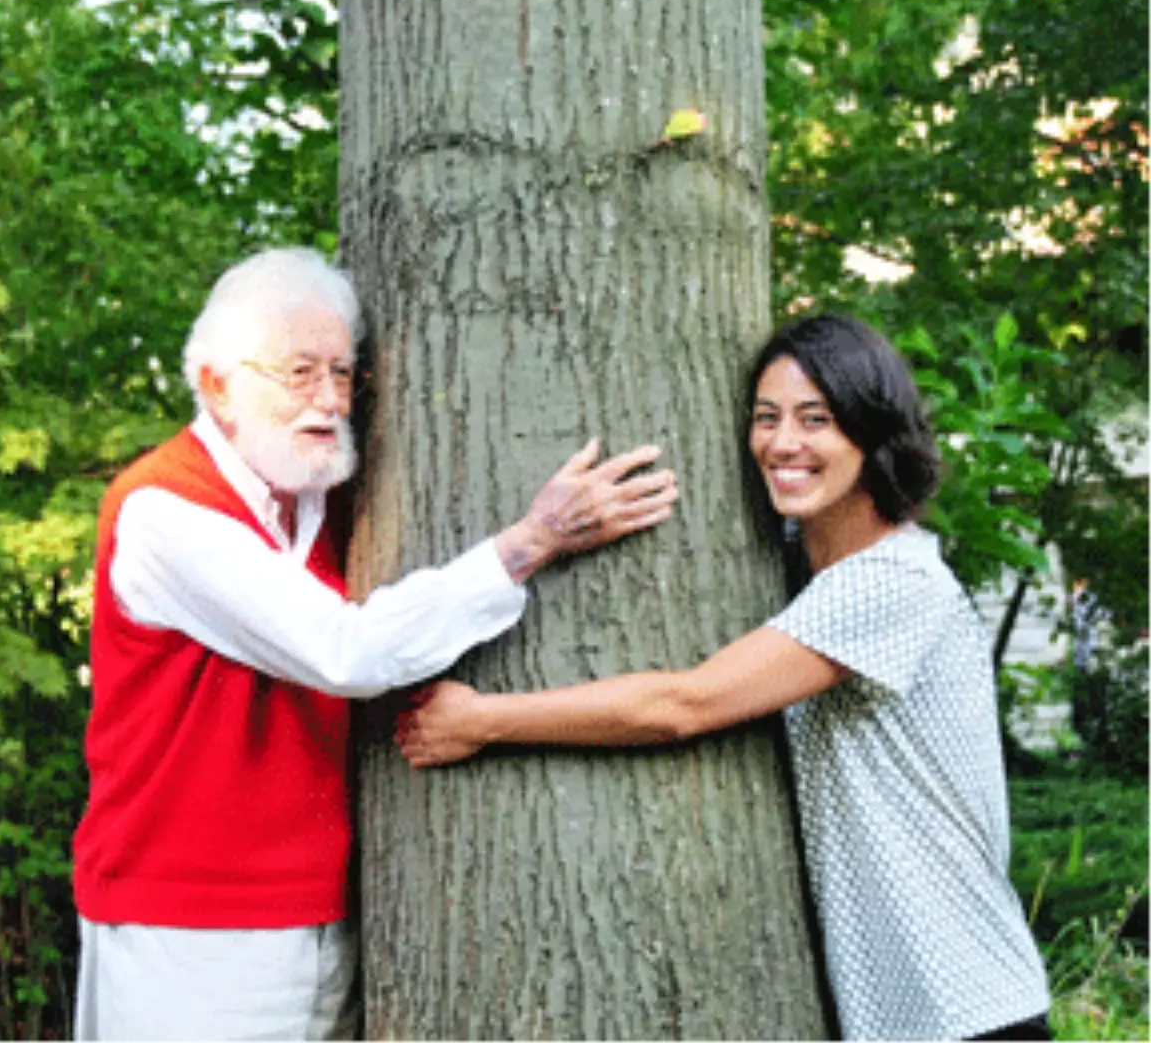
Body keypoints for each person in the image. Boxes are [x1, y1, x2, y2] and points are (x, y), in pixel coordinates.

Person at [72, 247, 678, 1042]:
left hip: (330, 913)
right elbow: (345, 652)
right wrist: (531, 542)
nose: (329, 401)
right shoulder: (165, 511)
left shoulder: (322, 499)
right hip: (188, 934)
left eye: (342, 374)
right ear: (218, 386)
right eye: (298, 374)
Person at [399, 313, 1052, 1043]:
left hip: (970, 1008)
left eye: (817, 419)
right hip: (903, 1015)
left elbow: (686, 702)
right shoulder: (799, 566)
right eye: (766, 418)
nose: (783, 443)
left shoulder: (893, 582)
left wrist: (484, 720)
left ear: (872, 432)